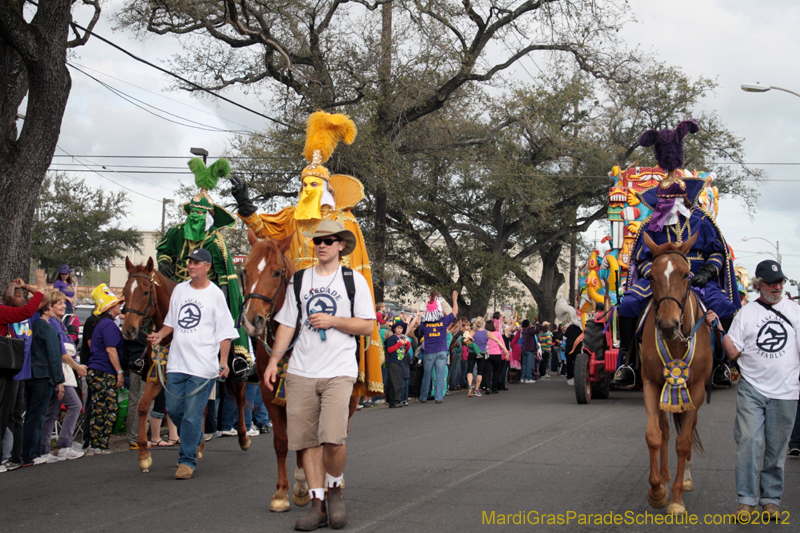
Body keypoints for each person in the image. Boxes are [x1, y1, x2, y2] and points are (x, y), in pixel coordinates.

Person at [230, 111, 383, 400]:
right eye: (304, 185)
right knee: (261, 309)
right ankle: (257, 362)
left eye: (314, 185)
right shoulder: (293, 217)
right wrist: (247, 206)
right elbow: (263, 232)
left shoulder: (344, 220)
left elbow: (354, 263)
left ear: (326, 189)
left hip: (333, 295)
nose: (308, 190)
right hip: (296, 292)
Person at [263, 220, 375, 530]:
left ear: (341, 245)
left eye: (329, 240)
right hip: (301, 371)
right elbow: (287, 324)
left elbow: (366, 325)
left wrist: (333, 320)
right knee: (307, 441)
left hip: (339, 370)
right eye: (318, 241)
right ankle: (317, 503)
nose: (322, 245)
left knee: (333, 439)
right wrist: (274, 362)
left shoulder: (354, 281)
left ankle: (335, 489)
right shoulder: (300, 280)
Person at [614, 120, 741, 389]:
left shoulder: (702, 222)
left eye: (675, 199)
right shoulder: (650, 226)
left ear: (686, 198)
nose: (670, 204)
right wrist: (656, 275)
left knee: (726, 308)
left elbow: (718, 254)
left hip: (699, 281)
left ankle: (721, 365)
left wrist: (707, 272)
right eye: (665, 200)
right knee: (625, 307)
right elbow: (640, 259)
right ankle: (627, 364)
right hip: (659, 282)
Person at [706, 260, 800, 522]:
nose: (777, 286)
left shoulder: (795, 312)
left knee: (777, 450)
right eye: (771, 283)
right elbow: (733, 351)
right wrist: (719, 329)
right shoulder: (746, 314)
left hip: (786, 392)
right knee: (748, 442)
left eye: (780, 281)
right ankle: (746, 501)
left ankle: (771, 500)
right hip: (752, 388)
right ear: (759, 285)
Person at [156, 157, 251, 379]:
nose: (195, 217)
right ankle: (144, 354)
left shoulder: (216, 240)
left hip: (208, 289)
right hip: (178, 288)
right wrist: (164, 261)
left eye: (200, 213)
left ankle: (234, 358)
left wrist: (223, 298)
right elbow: (164, 249)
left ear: (209, 216)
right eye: (192, 212)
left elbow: (226, 273)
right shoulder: (178, 231)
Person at [147, 248, 238, 480]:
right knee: (175, 410)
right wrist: (160, 335)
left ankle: (186, 460)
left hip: (203, 367)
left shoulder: (216, 294)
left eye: (197, 263)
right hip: (177, 363)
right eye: (190, 262)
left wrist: (224, 360)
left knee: (191, 415)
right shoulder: (179, 290)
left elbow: (225, 332)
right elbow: (171, 323)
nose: (192, 266)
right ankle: (195, 437)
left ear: (208, 267)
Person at [1, 270, 47, 472]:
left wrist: (30, 287)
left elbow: (44, 300)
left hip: (19, 371)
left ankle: (16, 456)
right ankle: (7, 456)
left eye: (23, 296)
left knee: (15, 415)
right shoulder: (6, 312)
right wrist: (38, 286)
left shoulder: (27, 311)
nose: (22, 298)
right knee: (6, 415)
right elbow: (26, 309)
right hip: (7, 370)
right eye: (18, 295)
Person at [40, 291, 85, 461]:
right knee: (74, 405)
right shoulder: (52, 323)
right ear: (49, 306)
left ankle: (43, 449)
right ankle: (65, 445)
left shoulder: (58, 323)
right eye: (58, 303)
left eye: (63, 303)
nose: (63, 305)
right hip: (60, 372)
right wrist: (77, 366)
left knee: (51, 412)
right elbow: (61, 351)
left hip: (60, 371)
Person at [21, 296, 64, 467]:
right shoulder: (48, 329)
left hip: (29, 374)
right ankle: (31, 454)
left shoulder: (32, 326)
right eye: (55, 305)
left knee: (30, 414)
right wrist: (59, 381)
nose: (59, 307)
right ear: (47, 309)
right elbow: (54, 356)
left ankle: (27, 451)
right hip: (43, 375)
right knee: (37, 415)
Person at [86, 288, 126, 454]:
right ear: (110, 308)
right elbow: (111, 350)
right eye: (116, 304)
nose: (119, 307)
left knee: (98, 408)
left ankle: (95, 444)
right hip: (105, 371)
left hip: (95, 370)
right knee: (109, 409)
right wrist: (119, 371)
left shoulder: (101, 323)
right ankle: (100, 444)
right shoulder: (109, 325)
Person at [419, 291, 459, 404]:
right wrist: (454, 299)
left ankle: (423, 396)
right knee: (440, 375)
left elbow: (420, 332)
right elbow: (455, 312)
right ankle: (438, 397)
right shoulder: (443, 320)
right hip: (442, 350)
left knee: (427, 374)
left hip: (429, 351)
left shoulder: (425, 322)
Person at [385, 321, 410, 408]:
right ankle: (394, 401)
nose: (399, 330)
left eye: (401, 328)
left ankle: (397, 399)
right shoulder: (392, 338)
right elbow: (390, 350)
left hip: (400, 361)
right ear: (394, 329)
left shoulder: (403, 337)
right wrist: (399, 344)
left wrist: (407, 344)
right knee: (395, 382)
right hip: (393, 361)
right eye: (397, 328)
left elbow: (406, 351)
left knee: (399, 381)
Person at [484, 318, 510, 394]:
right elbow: (501, 343)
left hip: (488, 354)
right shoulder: (497, 333)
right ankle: (494, 388)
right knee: (496, 371)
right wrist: (505, 352)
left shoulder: (485, 333)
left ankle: (487, 387)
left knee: (487, 372)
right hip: (497, 354)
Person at [563, 319, 583, 386]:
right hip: (577, 348)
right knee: (576, 363)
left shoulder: (569, 328)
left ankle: (569, 376)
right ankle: (575, 375)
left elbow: (564, 338)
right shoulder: (580, 329)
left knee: (569, 362)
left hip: (569, 348)